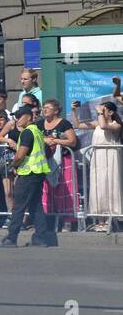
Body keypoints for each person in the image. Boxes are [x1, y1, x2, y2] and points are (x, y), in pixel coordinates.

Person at [0, 105, 57, 248]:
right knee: (36, 206)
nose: (17, 120)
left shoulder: (27, 132)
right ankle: (40, 238)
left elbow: (21, 154)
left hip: (28, 173)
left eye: (20, 116)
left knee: (18, 206)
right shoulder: (37, 132)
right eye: (16, 117)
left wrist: (13, 165)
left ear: (28, 117)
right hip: (38, 173)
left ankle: (11, 238)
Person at [38, 99, 77, 231]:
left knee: (65, 189)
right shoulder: (39, 124)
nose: (44, 109)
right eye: (43, 107)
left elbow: (72, 141)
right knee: (46, 190)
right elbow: (35, 138)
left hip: (64, 160)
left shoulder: (64, 123)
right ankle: (48, 220)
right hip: (45, 160)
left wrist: (55, 141)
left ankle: (67, 221)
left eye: (48, 107)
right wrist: (45, 140)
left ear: (56, 111)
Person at [84, 100, 122, 233]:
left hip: (110, 157)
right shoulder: (98, 124)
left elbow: (104, 126)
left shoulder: (116, 125)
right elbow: (78, 125)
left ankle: (111, 218)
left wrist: (100, 112)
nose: (100, 113)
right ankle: (100, 219)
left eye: (103, 110)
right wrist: (73, 111)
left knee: (109, 185)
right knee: (98, 186)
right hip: (98, 157)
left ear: (110, 112)